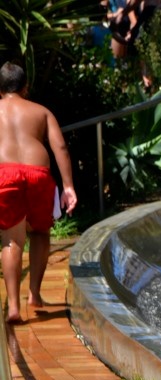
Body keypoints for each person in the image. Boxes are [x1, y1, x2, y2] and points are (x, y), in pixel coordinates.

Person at [0, 62, 77, 324]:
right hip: (38, 174)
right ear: (26, 87)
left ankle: (13, 306)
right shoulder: (42, 111)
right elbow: (60, 148)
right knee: (40, 232)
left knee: (11, 240)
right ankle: (34, 293)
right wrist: (68, 186)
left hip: (5, 174)